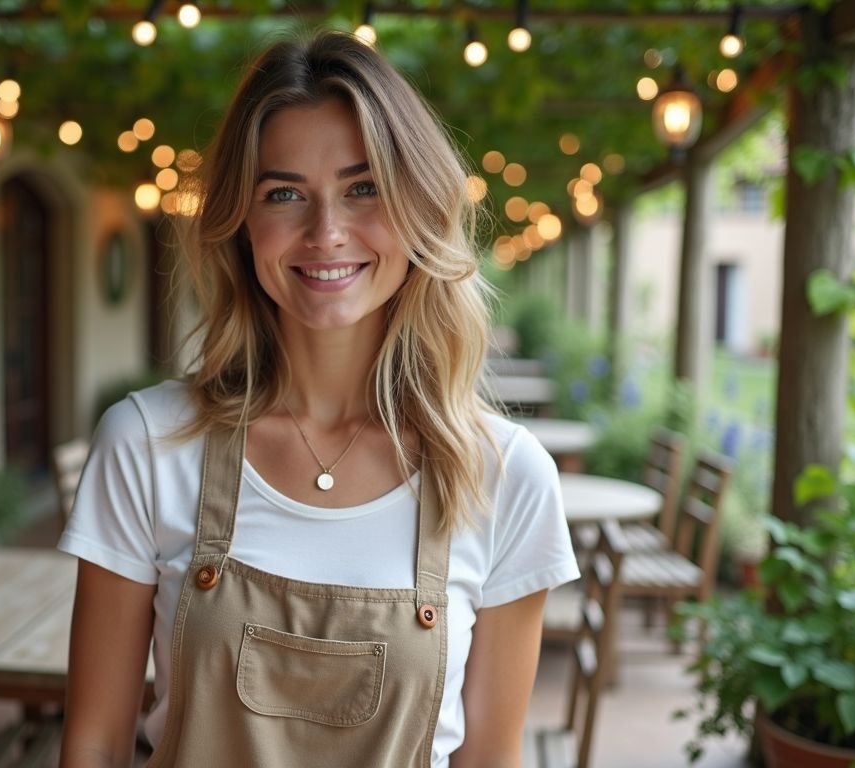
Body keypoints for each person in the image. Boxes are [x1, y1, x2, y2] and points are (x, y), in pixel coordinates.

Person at [58, 30, 579, 768]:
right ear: (242, 223)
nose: (326, 232)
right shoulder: (147, 443)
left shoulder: (505, 475)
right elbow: (93, 744)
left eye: (363, 188)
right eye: (284, 194)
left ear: (419, 209)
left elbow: (492, 757)